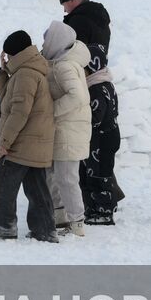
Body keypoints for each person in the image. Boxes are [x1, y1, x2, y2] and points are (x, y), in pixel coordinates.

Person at [58, 0, 123, 224]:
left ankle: (100, 209)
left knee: (92, 155)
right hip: (101, 81)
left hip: (88, 85)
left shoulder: (76, 23)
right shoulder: (101, 19)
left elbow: (68, 53)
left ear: (72, 0)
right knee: (104, 154)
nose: (64, 9)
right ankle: (106, 201)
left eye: (64, 3)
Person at [0, 31, 57, 242]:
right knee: (36, 187)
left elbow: (19, 112)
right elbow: (8, 96)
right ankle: (45, 229)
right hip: (35, 140)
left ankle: (2, 226)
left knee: (3, 181)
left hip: (24, 141)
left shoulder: (25, 74)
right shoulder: (28, 70)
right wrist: (4, 71)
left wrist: (5, 142)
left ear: (13, 53)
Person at [41, 21, 90, 238]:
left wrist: (51, 111)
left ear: (55, 41)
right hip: (62, 130)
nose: (44, 44)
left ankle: (77, 222)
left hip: (68, 130)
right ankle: (59, 215)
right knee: (53, 174)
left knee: (67, 178)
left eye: (46, 40)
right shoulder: (61, 62)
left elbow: (77, 96)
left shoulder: (64, 65)